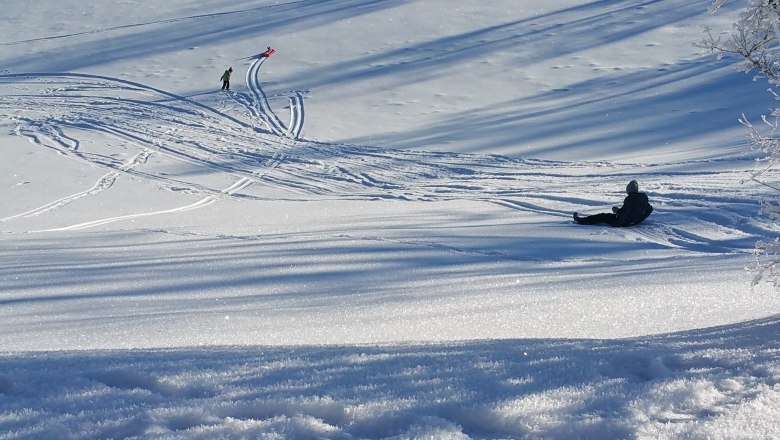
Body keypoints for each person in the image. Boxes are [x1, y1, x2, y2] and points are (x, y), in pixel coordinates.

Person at [573, 180, 653, 227]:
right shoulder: (643, 198)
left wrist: (617, 219)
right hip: (635, 221)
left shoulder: (629, 199)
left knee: (602, 216)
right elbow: (649, 209)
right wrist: (640, 219)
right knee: (606, 215)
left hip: (626, 222)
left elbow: (625, 212)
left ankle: (582, 220)